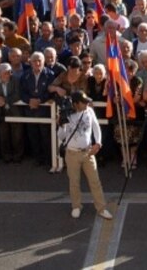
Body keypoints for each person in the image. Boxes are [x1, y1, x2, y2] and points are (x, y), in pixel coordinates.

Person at [59, 91, 114, 220]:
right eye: (84, 102)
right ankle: (76, 206)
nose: (87, 104)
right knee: (74, 182)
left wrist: (98, 143)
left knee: (95, 181)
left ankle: (101, 208)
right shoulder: (67, 115)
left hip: (88, 152)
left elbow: (96, 127)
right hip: (72, 153)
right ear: (76, 104)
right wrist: (61, 124)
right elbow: (61, 136)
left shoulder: (89, 111)